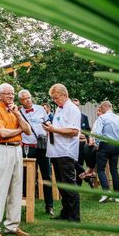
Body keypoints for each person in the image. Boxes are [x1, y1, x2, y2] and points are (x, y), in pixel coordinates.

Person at [0, 83, 32, 236]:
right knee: (0, 188)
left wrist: (18, 115)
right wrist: (20, 130)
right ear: (0, 96)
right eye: (8, 94)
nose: (11, 96)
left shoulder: (15, 111)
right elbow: (3, 133)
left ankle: (12, 225)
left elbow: (29, 130)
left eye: (12, 94)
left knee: (16, 187)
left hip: (17, 149)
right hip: (2, 148)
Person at [43, 83, 81, 222]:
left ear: (65, 95)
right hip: (56, 151)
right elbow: (59, 127)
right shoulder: (59, 109)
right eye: (53, 98)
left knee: (69, 184)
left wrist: (54, 130)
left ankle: (74, 216)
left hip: (66, 151)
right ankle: (66, 212)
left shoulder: (73, 109)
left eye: (56, 97)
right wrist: (50, 128)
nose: (55, 100)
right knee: (61, 184)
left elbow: (73, 131)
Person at [18, 89, 54, 217]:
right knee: (25, 178)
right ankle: (24, 205)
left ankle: (49, 206)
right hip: (27, 148)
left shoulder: (40, 109)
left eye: (29, 97)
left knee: (46, 176)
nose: (28, 100)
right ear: (20, 101)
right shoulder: (18, 112)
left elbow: (48, 122)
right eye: (24, 99)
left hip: (42, 147)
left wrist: (48, 127)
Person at [93, 101, 119, 203]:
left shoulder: (102, 118)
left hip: (104, 145)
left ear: (106, 107)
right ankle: (116, 195)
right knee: (114, 169)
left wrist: (97, 144)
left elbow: (97, 133)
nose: (100, 110)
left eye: (101, 108)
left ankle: (106, 192)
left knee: (100, 169)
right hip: (115, 146)